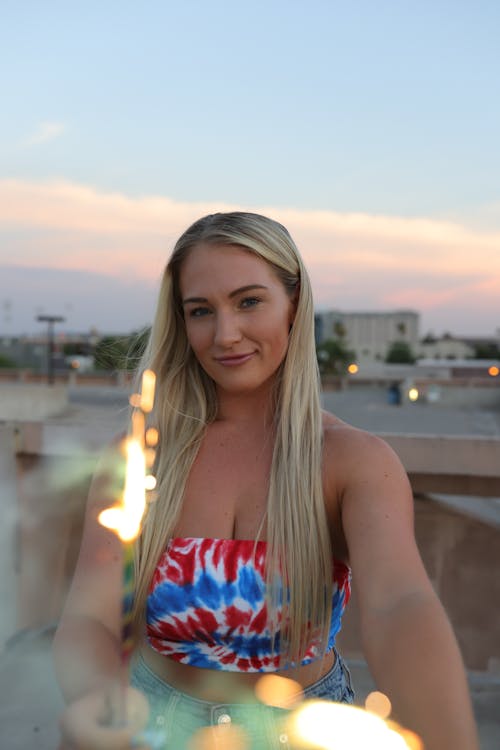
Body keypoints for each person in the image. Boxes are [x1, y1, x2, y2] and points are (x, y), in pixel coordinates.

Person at [54, 212, 478, 750]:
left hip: (302, 733)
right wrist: (98, 701)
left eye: (249, 301)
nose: (225, 334)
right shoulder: (141, 456)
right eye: (201, 311)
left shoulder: (353, 462)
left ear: (294, 306)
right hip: (152, 729)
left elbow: (400, 605)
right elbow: (90, 615)